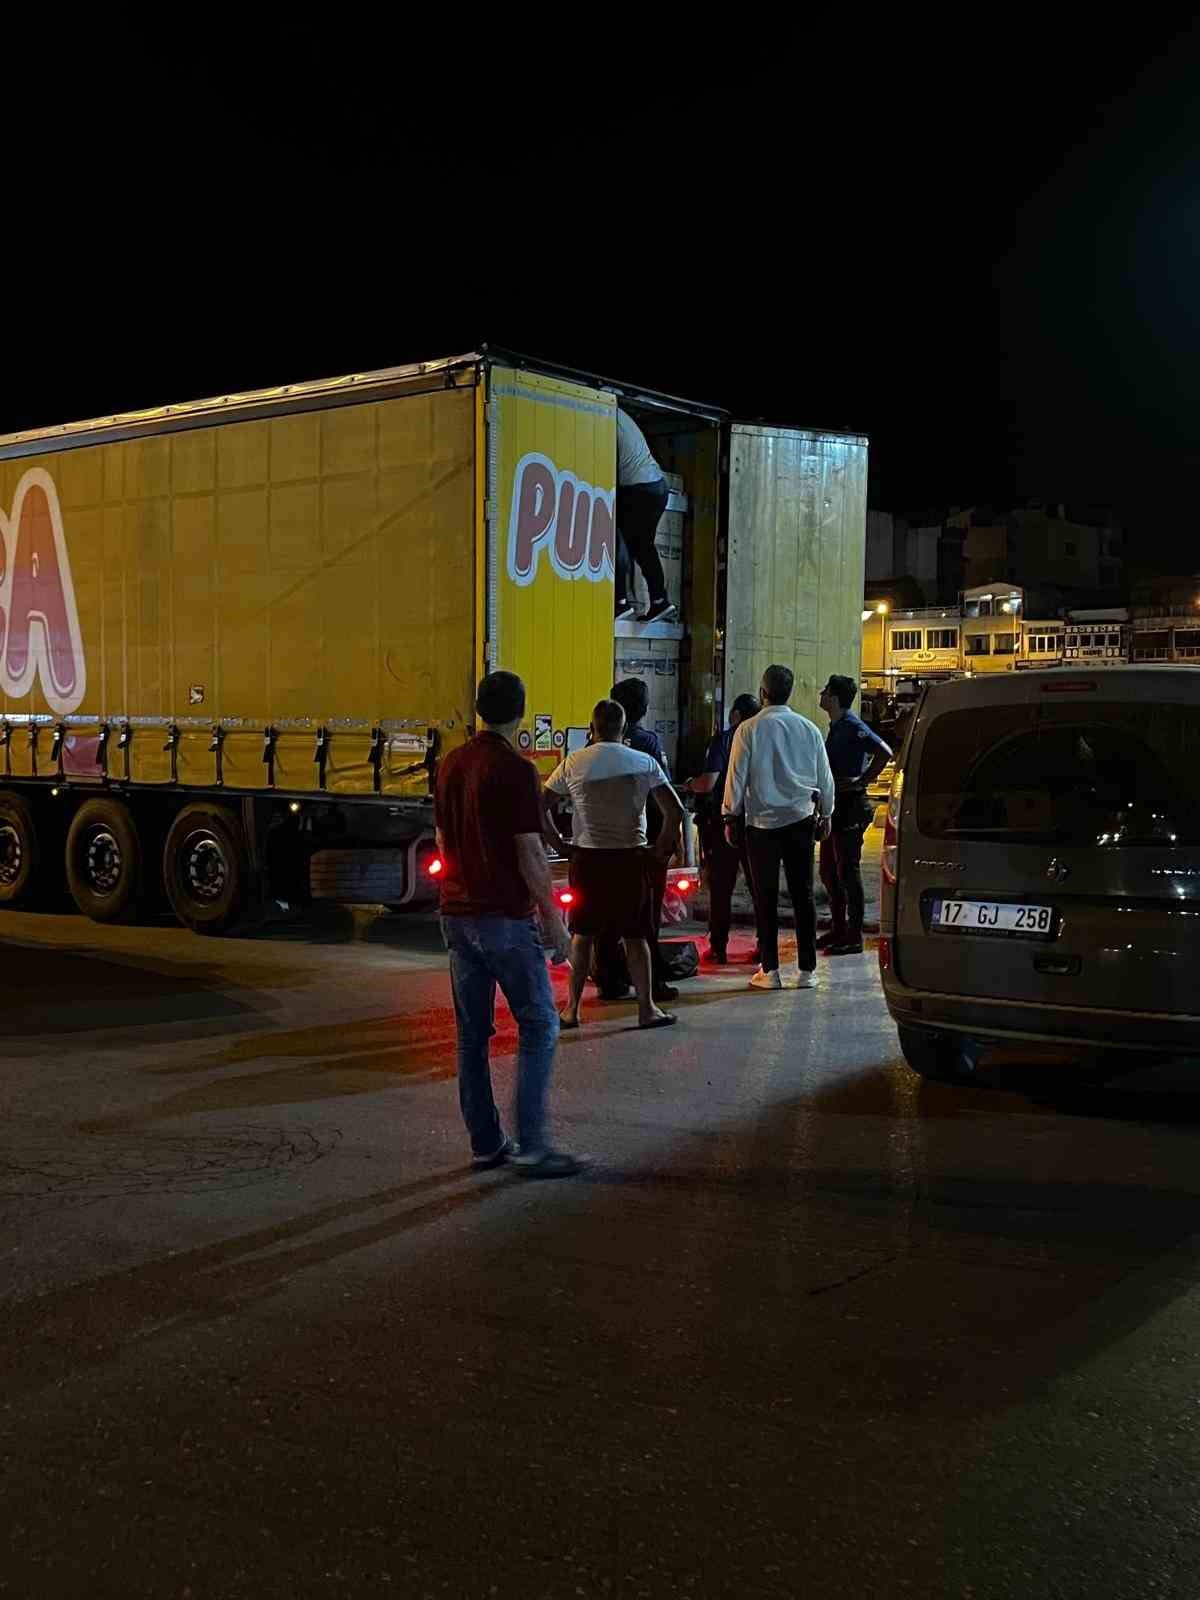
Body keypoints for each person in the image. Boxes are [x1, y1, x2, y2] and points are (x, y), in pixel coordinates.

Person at [435, 670, 580, 1179]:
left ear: (479, 708)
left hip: (457, 916)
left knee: (471, 1035)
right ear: (520, 711)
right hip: (503, 919)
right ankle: (533, 1146)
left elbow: (442, 838)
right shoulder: (517, 770)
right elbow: (529, 852)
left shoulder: (451, 764)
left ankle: (486, 1142)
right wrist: (554, 922)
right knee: (540, 1023)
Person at [543, 698, 684, 1030]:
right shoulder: (643, 761)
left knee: (583, 935)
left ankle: (572, 1010)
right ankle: (646, 1008)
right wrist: (659, 850)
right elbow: (675, 811)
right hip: (630, 859)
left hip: (588, 860)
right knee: (636, 937)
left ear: (592, 729)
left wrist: (558, 844)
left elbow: (539, 806)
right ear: (623, 729)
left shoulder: (574, 763)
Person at [722, 664, 835, 992]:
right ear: (790, 692)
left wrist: (730, 816)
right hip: (801, 821)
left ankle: (770, 970)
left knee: (765, 897)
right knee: (803, 896)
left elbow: (736, 776)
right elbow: (825, 778)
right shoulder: (809, 729)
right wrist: (826, 814)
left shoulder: (748, 729)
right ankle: (807, 970)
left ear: (763, 693)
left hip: (761, 825)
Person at [593, 677, 678, 1003]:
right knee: (645, 916)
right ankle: (652, 983)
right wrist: (665, 842)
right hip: (640, 842)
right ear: (642, 709)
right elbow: (664, 799)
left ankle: (610, 979)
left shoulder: (592, 746)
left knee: (605, 914)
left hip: (600, 842)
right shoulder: (647, 744)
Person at [817, 674, 892, 956]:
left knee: (848, 871)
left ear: (835, 698)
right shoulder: (837, 726)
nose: (821, 694)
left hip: (851, 807)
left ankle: (853, 934)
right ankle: (838, 927)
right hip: (835, 807)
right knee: (828, 870)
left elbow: (884, 751)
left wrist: (863, 780)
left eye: (826, 691)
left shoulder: (851, 726)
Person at [687, 692, 761, 963]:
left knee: (721, 888)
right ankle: (765, 948)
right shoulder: (763, 738)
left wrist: (689, 784)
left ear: (736, 715)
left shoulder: (724, 740)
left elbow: (708, 783)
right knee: (759, 887)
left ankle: (718, 948)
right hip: (758, 822)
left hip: (724, 822)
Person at [615, 407, 675, 625]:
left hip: (638, 487)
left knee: (617, 537)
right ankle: (660, 600)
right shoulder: (620, 415)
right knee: (643, 546)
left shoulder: (603, 414)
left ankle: (620, 601)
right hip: (657, 485)